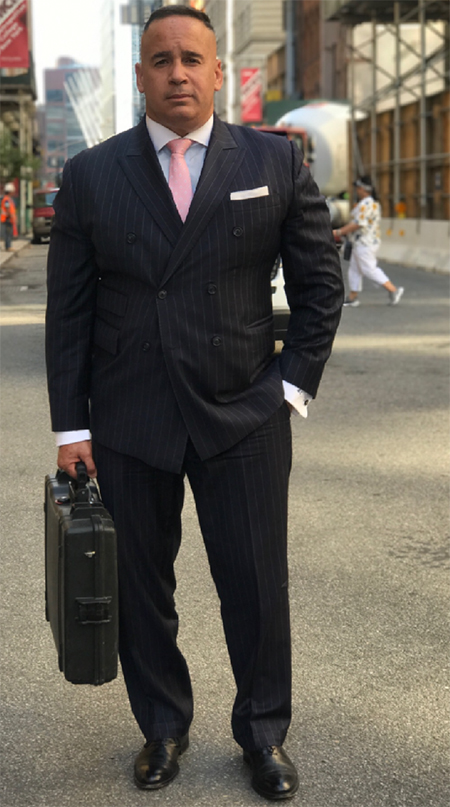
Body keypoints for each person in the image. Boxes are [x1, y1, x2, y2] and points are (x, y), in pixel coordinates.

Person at [46, 5, 343, 801]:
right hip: (130, 416)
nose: (177, 72)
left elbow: (321, 288)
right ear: (141, 74)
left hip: (243, 414)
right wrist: (73, 426)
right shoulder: (92, 175)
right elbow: (69, 312)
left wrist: (289, 387)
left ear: (219, 74)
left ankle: (264, 734)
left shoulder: (274, 162)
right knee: (143, 588)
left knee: (255, 584)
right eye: (160, 59)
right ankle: (163, 726)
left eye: (192, 59)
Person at [333, 175, 404, 308]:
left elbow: (358, 224)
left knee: (368, 269)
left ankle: (393, 290)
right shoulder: (367, 203)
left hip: (365, 242)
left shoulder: (366, 204)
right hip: (360, 242)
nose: (356, 190)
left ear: (363, 189)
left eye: (358, 188)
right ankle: (353, 297)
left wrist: (338, 232)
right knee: (354, 269)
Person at [1, 183, 18, 251]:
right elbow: (7, 208)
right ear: (10, 192)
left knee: (9, 233)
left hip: (8, 219)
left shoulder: (8, 199)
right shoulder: (6, 199)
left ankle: (8, 246)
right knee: (8, 233)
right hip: (7, 219)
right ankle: (8, 246)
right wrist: (11, 216)